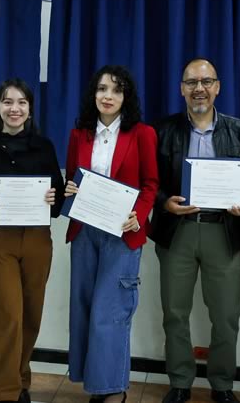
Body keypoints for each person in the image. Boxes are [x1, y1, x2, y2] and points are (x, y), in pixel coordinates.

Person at [149, 58, 240, 403]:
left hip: (222, 233)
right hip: (177, 231)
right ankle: (180, 382)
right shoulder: (162, 131)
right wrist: (165, 203)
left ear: (218, 87)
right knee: (174, 313)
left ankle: (222, 385)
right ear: (182, 89)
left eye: (206, 81)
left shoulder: (239, 131)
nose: (199, 89)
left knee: (226, 317)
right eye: (192, 82)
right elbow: (150, 183)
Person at [0, 79, 65, 403]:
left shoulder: (45, 147)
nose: (14, 109)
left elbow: (59, 201)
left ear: (30, 110)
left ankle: (20, 380)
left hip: (37, 239)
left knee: (32, 315)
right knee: (8, 314)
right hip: (0, 240)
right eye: (8, 102)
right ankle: (3, 392)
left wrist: (53, 196)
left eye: (21, 102)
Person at [63, 65, 158, 403]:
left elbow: (150, 185)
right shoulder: (80, 134)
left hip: (122, 233)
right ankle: (95, 384)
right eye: (102, 89)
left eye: (116, 91)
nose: (107, 96)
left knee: (111, 311)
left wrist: (139, 217)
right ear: (93, 94)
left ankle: (114, 388)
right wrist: (69, 188)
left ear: (125, 97)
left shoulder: (143, 134)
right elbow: (72, 181)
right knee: (86, 308)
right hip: (85, 231)